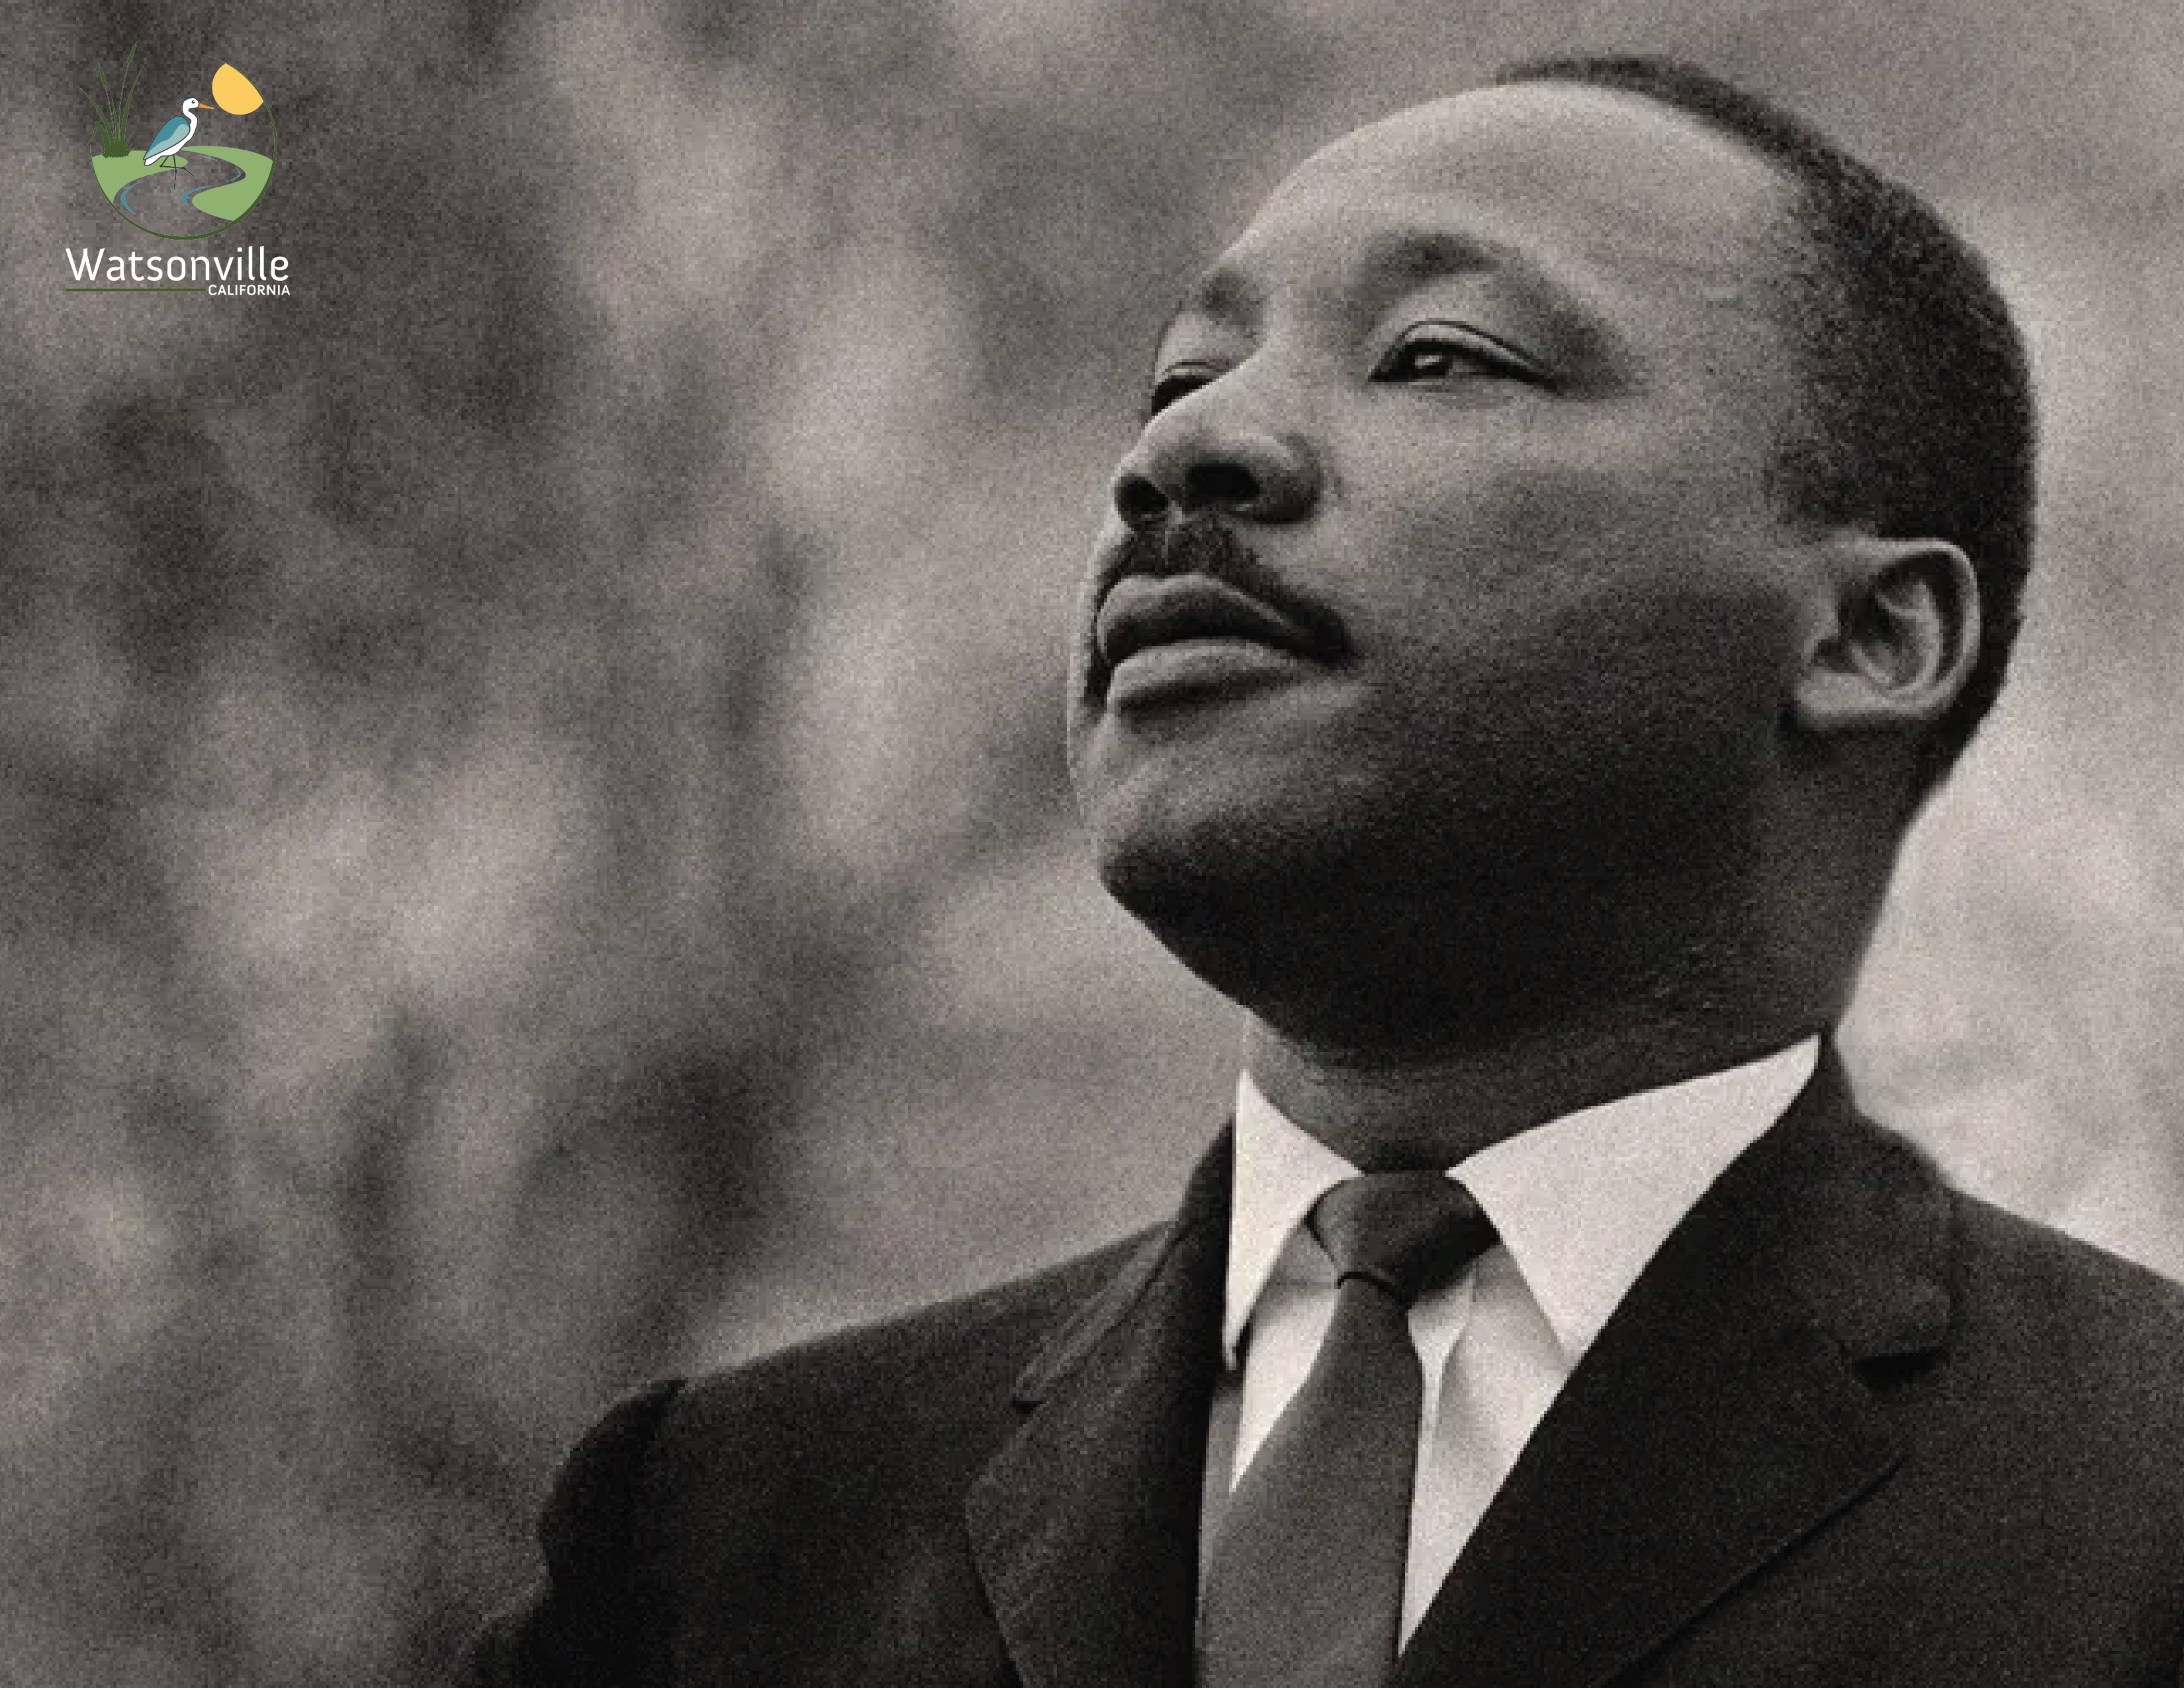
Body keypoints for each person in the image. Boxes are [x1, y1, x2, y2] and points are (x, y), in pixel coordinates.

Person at [458, 54, 2184, 1687]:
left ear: (1870, 632)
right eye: (1177, 380)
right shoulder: (724, 1529)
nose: (1181, 456)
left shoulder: (2137, 1491)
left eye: (1439, 357)